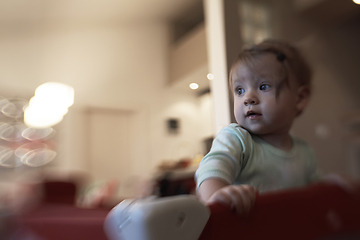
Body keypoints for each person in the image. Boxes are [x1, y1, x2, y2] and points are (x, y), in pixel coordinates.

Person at [195, 39, 319, 216]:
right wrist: (217, 195)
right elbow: (210, 172)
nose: (248, 98)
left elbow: (317, 197)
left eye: (263, 86)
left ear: (299, 98)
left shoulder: (305, 152)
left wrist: (332, 185)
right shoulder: (237, 140)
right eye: (240, 90)